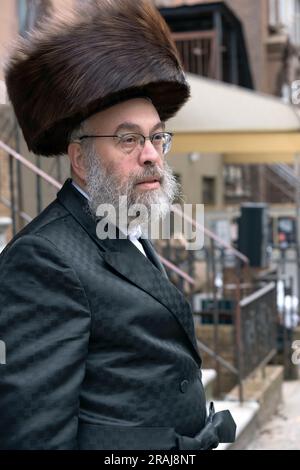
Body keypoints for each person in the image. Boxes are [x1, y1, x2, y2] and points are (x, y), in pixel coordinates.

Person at [0, 0, 235, 450]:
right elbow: (35, 439)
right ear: (81, 160)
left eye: (157, 136)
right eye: (128, 139)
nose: (151, 154)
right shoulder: (44, 260)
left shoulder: (124, 226)